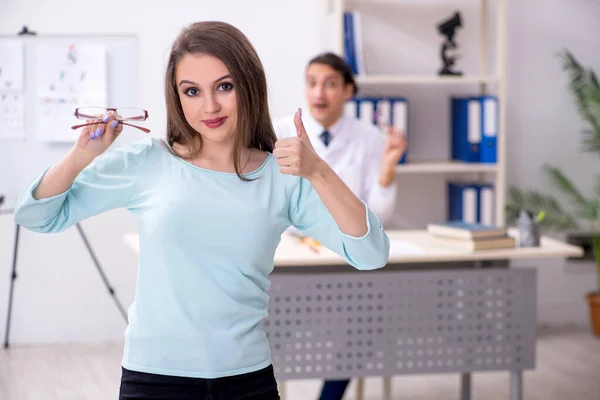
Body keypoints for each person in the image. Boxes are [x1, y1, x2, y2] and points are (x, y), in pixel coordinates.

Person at [12, 22, 390, 400]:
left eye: (224, 87)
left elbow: (370, 253)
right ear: (177, 99)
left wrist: (319, 171)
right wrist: (81, 156)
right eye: (191, 91)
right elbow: (35, 215)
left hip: (247, 380)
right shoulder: (148, 163)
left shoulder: (282, 175)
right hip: (153, 378)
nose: (209, 106)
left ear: (248, 85)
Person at [274, 53, 407, 400]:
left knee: (364, 328)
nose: (319, 93)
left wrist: (389, 166)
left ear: (348, 91)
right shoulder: (280, 131)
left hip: (343, 261)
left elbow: (376, 217)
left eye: (330, 84)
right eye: (312, 82)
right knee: (270, 332)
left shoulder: (370, 138)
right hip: (290, 261)